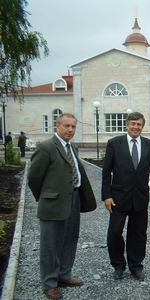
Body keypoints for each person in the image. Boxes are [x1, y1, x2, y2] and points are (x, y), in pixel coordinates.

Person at [28, 113, 96, 300]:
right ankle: (50, 283)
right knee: (50, 244)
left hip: (73, 199)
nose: (70, 130)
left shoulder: (72, 147)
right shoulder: (46, 147)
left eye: (73, 127)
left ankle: (64, 275)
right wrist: (45, 197)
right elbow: (34, 178)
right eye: (66, 126)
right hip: (53, 204)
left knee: (70, 239)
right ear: (57, 126)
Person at [102, 112, 150, 281]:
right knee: (114, 233)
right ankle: (118, 265)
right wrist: (106, 196)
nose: (136, 127)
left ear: (142, 126)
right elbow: (106, 173)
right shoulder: (114, 144)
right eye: (133, 124)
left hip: (140, 198)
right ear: (127, 125)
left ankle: (136, 266)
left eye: (139, 124)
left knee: (138, 234)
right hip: (117, 198)